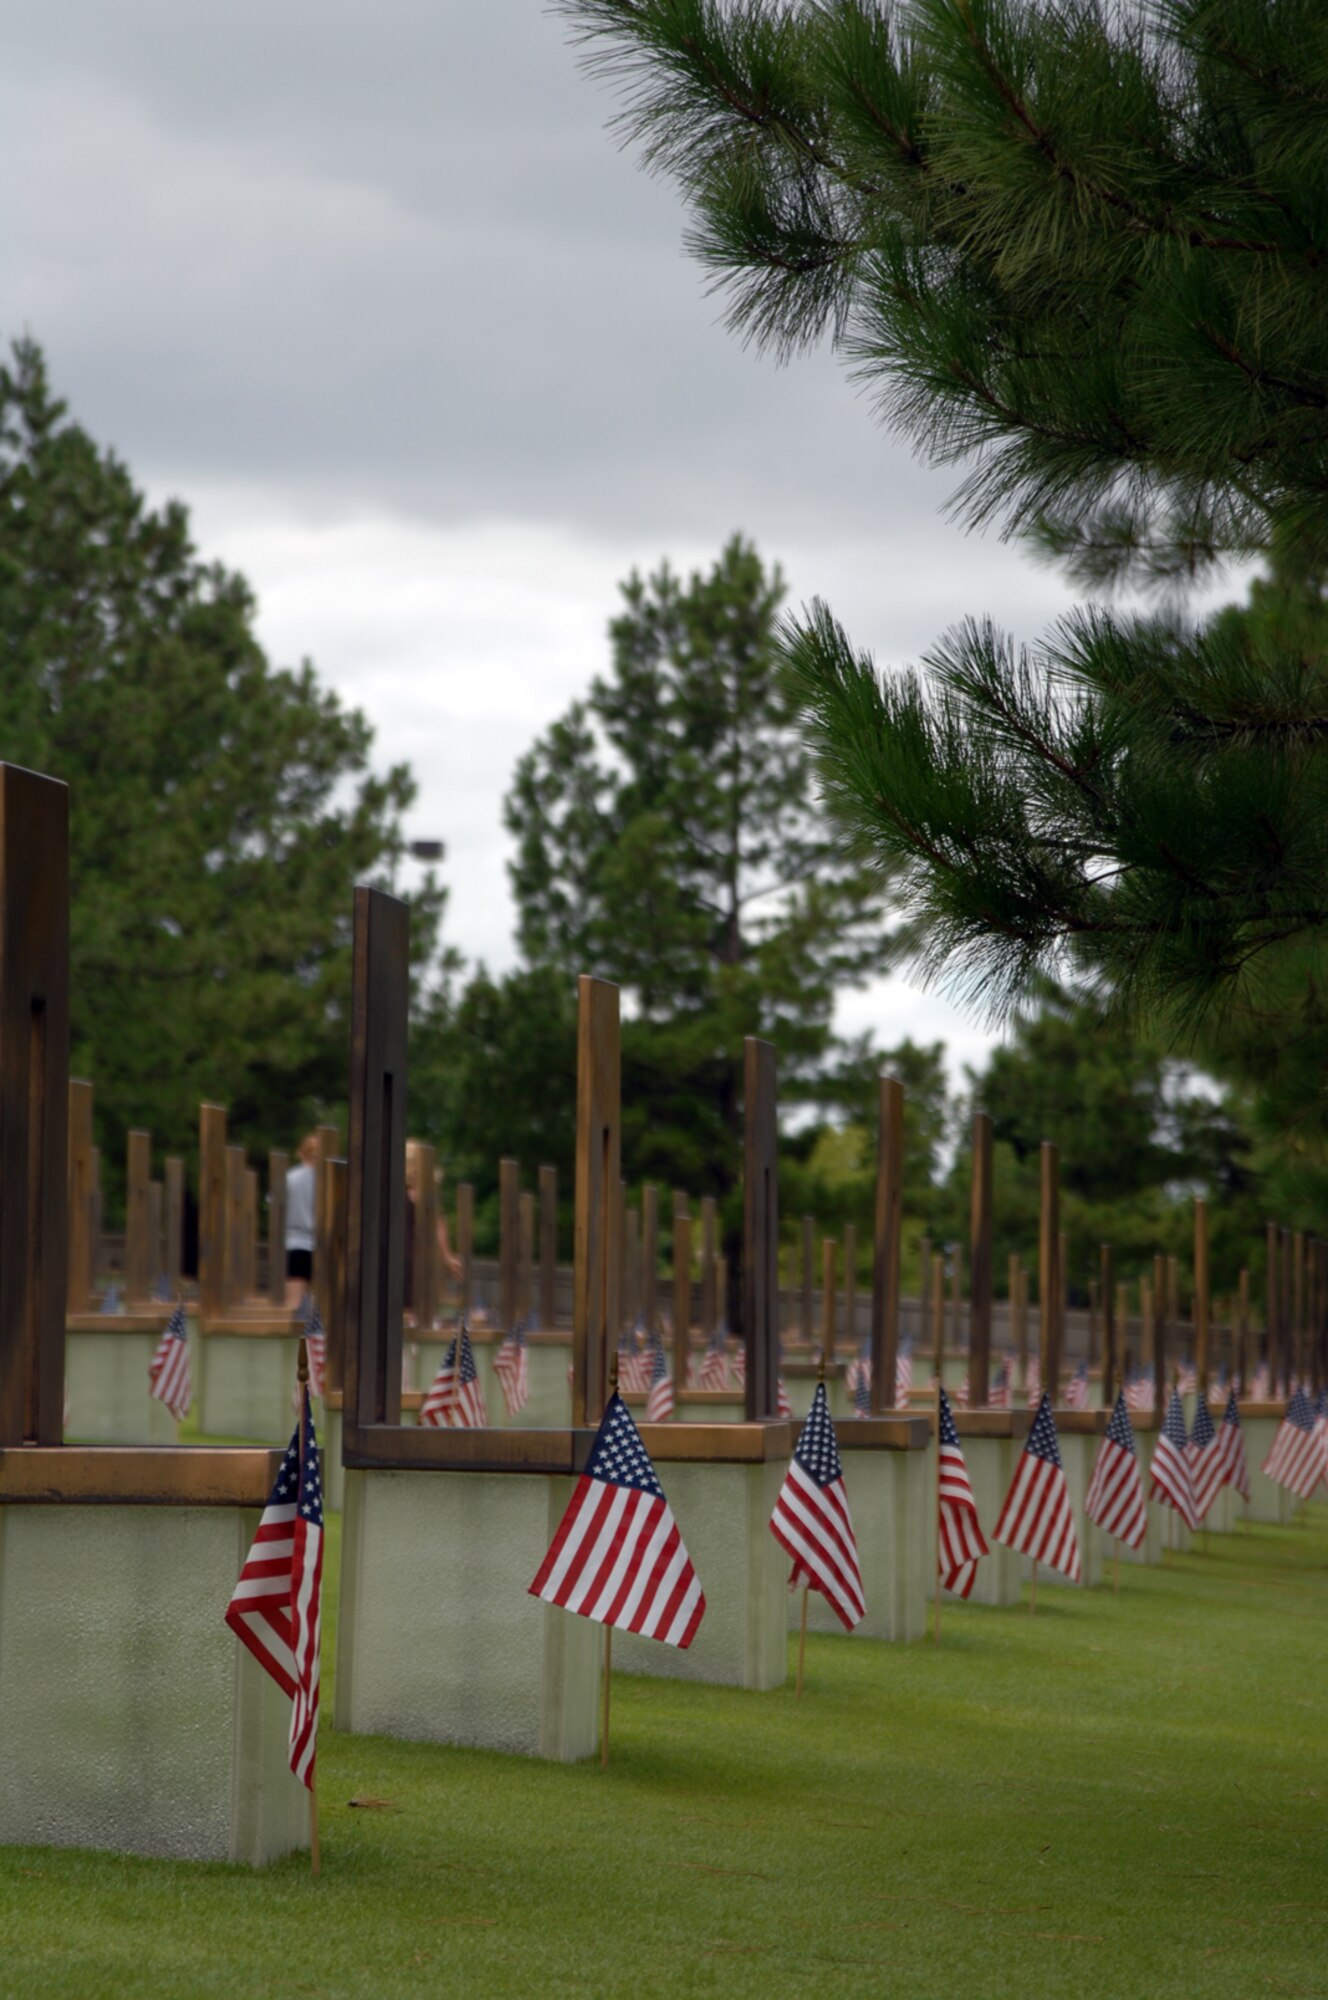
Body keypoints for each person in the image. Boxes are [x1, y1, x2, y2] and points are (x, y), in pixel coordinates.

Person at [284, 1133, 318, 1310]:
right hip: (321, 1245)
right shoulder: (328, 1181)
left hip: (295, 1242)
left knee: (294, 1306)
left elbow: (275, 1204)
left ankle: (299, 1339)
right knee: (319, 1308)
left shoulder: (290, 1178)